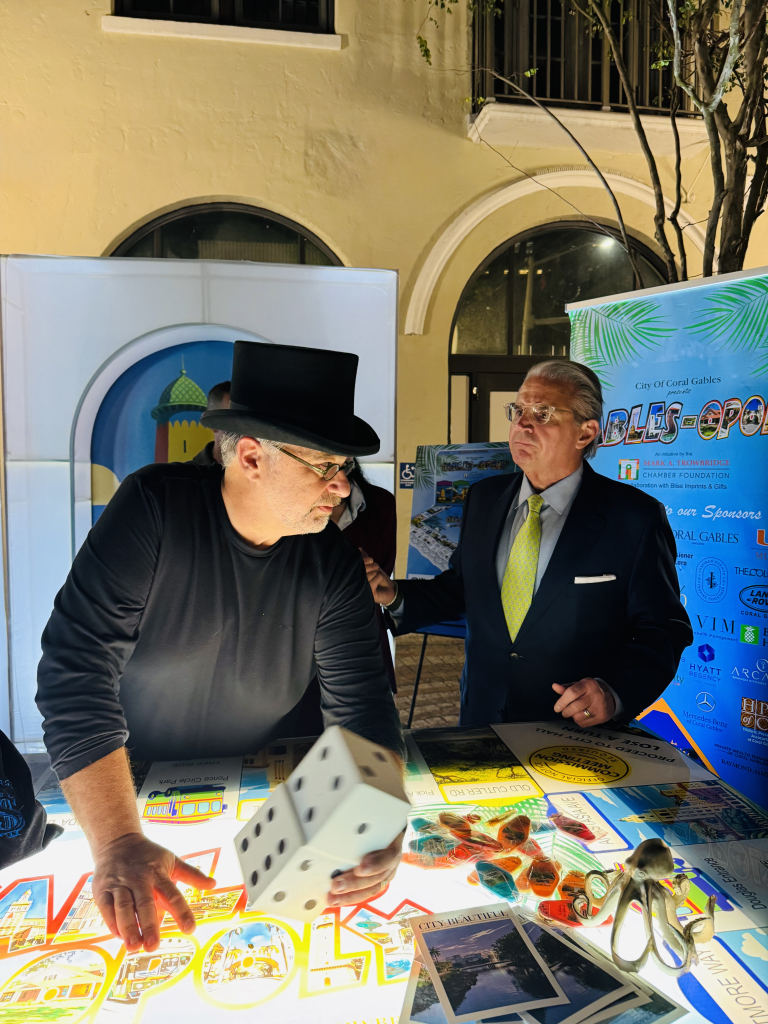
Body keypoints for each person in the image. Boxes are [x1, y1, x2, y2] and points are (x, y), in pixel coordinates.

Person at [36, 340, 404, 955]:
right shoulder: (155, 509)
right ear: (253, 456)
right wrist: (118, 840)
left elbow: (363, 706)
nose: (342, 488)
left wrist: (380, 813)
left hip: (271, 789)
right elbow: (74, 676)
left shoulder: (333, 561)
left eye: (343, 467)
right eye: (324, 466)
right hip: (132, 786)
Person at [365, 359, 692, 729]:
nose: (522, 424)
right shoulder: (484, 499)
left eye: (543, 413)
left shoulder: (634, 518)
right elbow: (462, 588)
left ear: (585, 433)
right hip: (482, 720)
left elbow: (663, 628)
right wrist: (393, 594)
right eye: (519, 410)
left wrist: (613, 691)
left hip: (572, 731)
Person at [191, 380, 231, 466]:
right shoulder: (191, 473)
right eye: (232, 419)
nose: (243, 427)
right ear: (213, 424)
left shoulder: (258, 469)